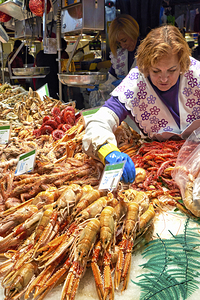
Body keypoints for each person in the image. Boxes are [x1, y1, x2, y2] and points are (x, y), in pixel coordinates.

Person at [82, 24, 200, 184]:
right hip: (159, 164)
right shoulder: (136, 82)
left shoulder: (196, 74)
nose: (164, 79)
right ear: (145, 67)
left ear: (182, 64)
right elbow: (101, 119)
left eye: (172, 70)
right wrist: (107, 150)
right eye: (156, 71)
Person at [87, 14, 140, 107]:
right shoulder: (120, 55)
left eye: (124, 40)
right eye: (119, 43)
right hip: (125, 108)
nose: (123, 46)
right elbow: (110, 80)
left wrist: (133, 83)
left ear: (133, 32)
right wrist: (100, 85)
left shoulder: (149, 51)